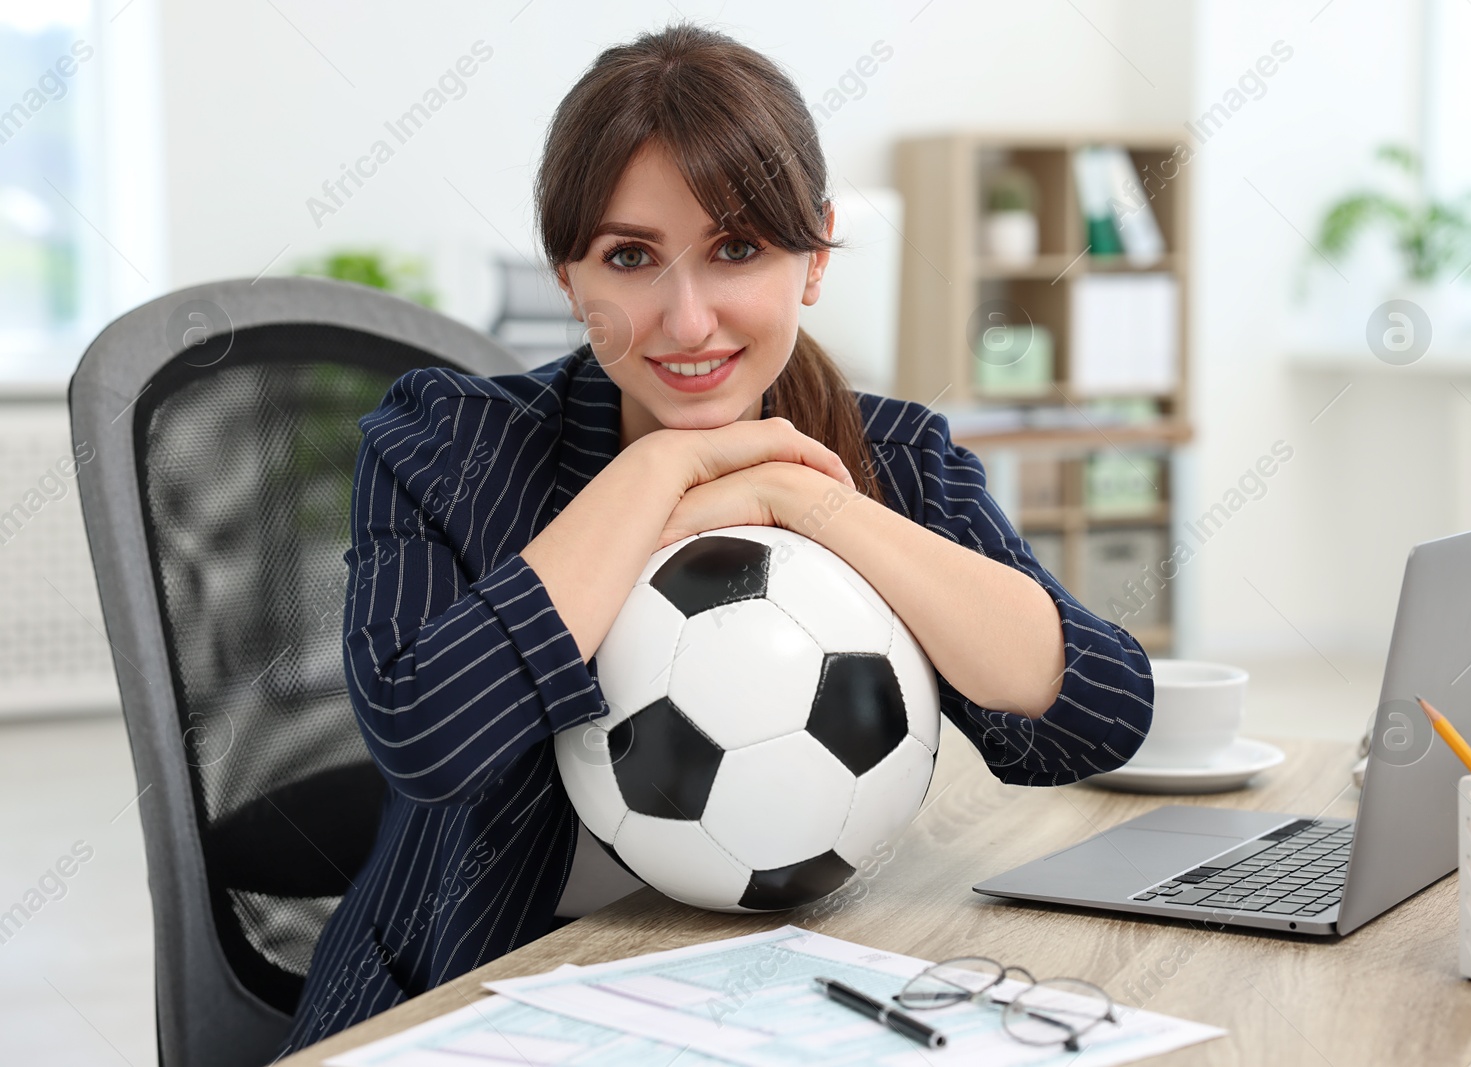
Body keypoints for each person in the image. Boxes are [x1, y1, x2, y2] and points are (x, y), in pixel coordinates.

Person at [278, 20, 1153, 1053]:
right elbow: (426, 732)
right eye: (630, 256)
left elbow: (1097, 712)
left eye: (736, 248)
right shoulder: (446, 443)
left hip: (777, 995)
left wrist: (809, 504)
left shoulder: (895, 459)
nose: (687, 320)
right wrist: (658, 471)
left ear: (814, 254)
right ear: (569, 279)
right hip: (469, 1001)